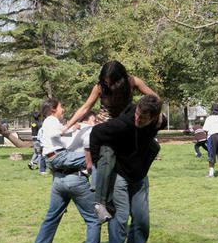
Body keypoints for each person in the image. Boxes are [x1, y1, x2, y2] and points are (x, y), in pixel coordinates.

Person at [61, 60, 158, 224]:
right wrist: (67, 126)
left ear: (121, 77)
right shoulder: (99, 87)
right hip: (105, 126)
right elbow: (85, 108)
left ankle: (128, 189)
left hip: (125, 124)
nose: (110, 86)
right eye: (106, 82)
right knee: (107, 154)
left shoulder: (132, 81)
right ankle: (101, 203)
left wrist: (155, 113)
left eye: (112, 82)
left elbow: (154, 98)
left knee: (153, 147)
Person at [90, 95, 166, 243]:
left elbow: (161, 116)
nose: (138, 119)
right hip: (120, 176)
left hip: (139, 177)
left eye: (143, 118)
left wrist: (159, 120)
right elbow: (96, 134)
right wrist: (96, 162)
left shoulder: (157, 121)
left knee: (142, 222)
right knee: (120, 221)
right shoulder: (122, 124)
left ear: (154, 118)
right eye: (138, 114)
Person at [27, 123, 101, 243]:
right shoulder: (89, 130)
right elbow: (91, 159)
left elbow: (56, 155)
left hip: (58, 180)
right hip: (77, 179)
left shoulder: (67, 132)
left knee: (51, 219)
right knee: (93, 220)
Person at [40, 98, 88, 173]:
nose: (63, 109)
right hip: (58, 156)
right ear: (53, 109)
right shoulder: (51, 119)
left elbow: (63, 134)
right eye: (61, 107)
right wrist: (68, 128)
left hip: (53, 157)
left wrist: (73, 129)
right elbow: (54, 134)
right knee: (91, 157)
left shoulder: (50, 121)